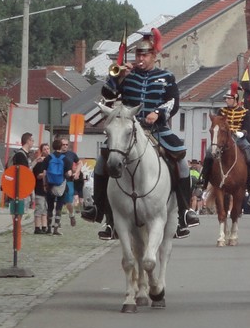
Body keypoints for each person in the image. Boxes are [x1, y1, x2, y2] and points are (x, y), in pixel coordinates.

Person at [81, 29, 200, 240]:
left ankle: (184, 213)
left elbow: (173, 103)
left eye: (145, 55)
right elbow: (108, 95)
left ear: (154, 56)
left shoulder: (166, 77)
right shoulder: (128, 76)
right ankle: (102, 213)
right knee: (103, 161)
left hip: (156, 129)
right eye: (138, 55)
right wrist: (116, 77)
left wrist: (159, 112)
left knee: (181, 162)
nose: (140, 59)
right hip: (128, 129)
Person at [207, 85, 250, 190]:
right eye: (226, 98)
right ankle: (203, 179)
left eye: (228, 98)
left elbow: (247, 128)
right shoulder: (221, 111)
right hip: (224, 139)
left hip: (239, 138)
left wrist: (242, 133)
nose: (226, 100)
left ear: (235, 98)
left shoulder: (244, 112)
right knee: (209, 153)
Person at [58, 137, 81, 229]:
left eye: (67, 145)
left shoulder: (71, 154)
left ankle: (71, 215)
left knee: (69, 202)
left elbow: (79, 163)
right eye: (63, 144)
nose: (65, 146)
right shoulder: (56, 154)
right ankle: (57, 220)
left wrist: (77, 172)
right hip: (58, 180)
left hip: (69, 181)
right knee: (58, 201)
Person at [31, 143, 50, 234]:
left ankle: (44, 226)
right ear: (42, 151)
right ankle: (37, 227)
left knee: (45, 209)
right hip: (39, 188)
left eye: (48, 149)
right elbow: (38, 176)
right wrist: (48, 174)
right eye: (45, 149)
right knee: (40, 207)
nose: (47, 151)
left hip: (48, 189)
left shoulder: (50, 161)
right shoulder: (40, 162)